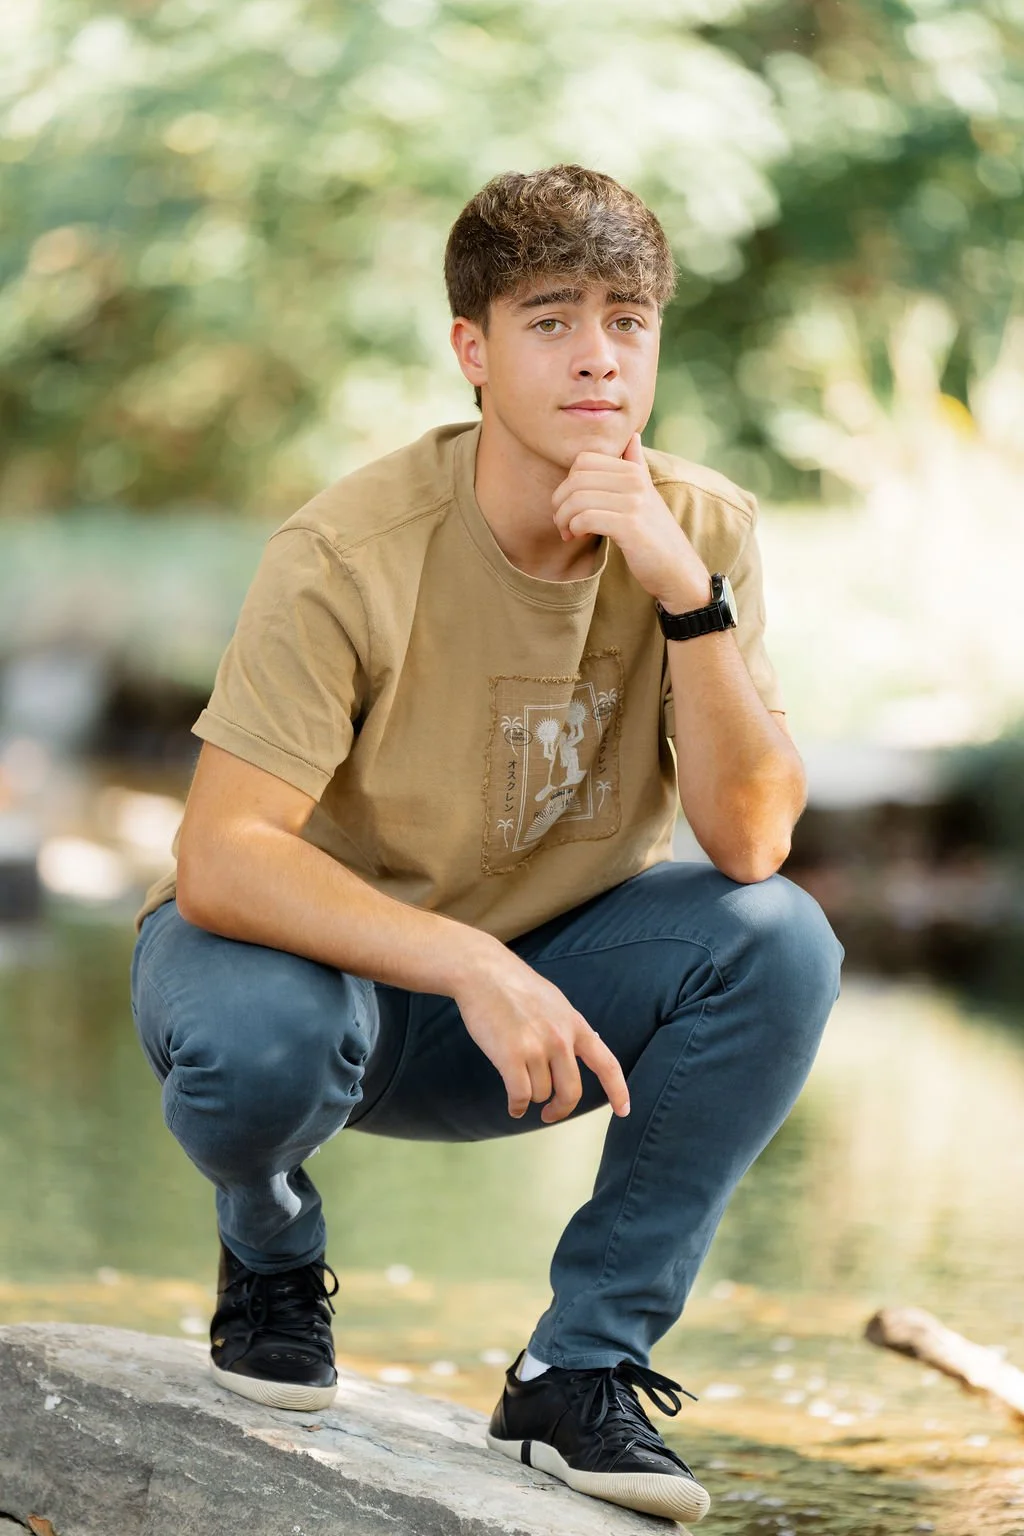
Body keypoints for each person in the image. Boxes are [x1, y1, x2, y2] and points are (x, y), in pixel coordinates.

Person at [129, 162, 843, 1525]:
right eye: (551, 321)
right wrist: (468, 959)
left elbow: (753, 842)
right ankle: (269, 1247)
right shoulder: (348, 550)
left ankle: (580, 1371)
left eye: (627, 322)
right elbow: (222, 857)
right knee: (263, 1047)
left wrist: (684, 598)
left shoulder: (703, 528)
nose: (598, 358)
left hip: (528, 1014)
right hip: (298, 977)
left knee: (781, 942)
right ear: (472, 349)